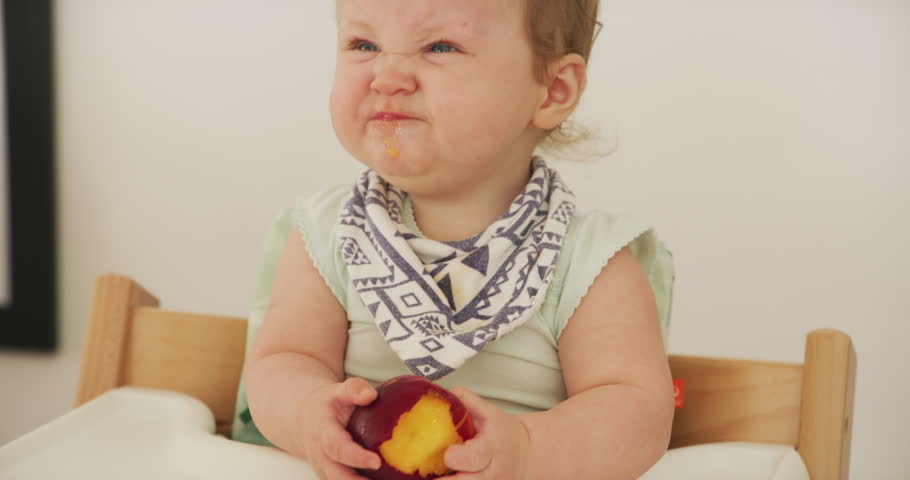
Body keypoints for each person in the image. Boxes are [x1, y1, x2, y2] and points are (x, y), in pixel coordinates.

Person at [234, 0, 676, 479]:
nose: (387, 76)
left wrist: (528, 450)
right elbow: (282, 362)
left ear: (551, 90)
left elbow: (636, 413)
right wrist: (307, 415)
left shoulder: (589, 260)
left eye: (439, 47)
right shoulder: (329, 234)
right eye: (364, 44)